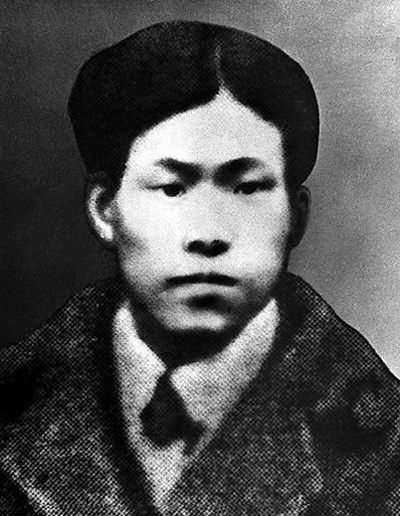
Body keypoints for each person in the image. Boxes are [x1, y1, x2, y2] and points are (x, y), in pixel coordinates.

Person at [0, 20, 399, 516]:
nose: (207, 235)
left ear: (295, 218)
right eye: (172, 188)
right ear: (105, 210)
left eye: (247, 187)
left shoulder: (383, 440)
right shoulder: (15, 404)